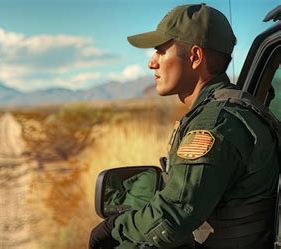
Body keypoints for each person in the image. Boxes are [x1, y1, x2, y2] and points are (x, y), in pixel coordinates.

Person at [89, 3, 279, 249]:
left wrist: (114, 227)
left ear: (195, 57)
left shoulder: (215, 123)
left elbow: (172, 218)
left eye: (161, 51)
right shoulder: (227, 111)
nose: (151, 63)